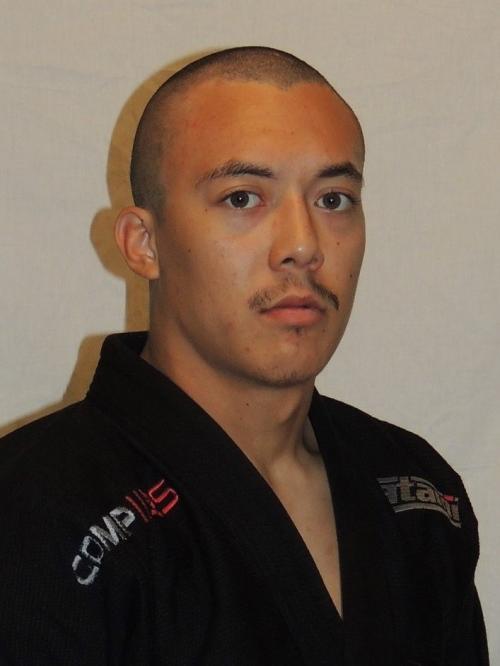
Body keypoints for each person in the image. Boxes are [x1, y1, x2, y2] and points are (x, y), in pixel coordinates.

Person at [0, 47, 488, 665]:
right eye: (241, 198)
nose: (303, 246)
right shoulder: (37, 513)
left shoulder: (417, 493)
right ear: (144, 243)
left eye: (333, 199)